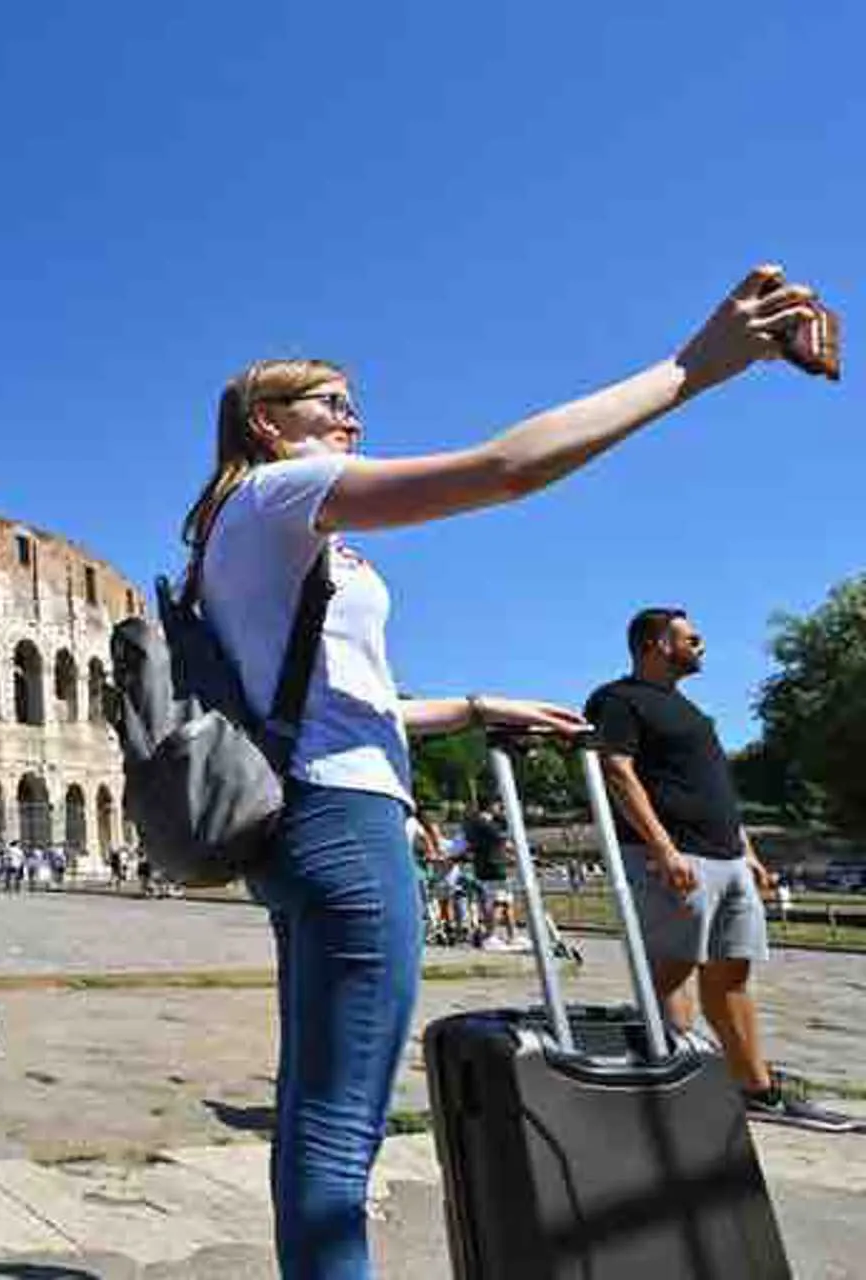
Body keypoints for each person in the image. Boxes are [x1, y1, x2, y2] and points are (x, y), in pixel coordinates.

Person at [183, 265, 827, 1278]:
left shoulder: (234, 528)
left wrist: (476, 706)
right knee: (341, 1123)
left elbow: (326, 702)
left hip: (301, 816)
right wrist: (689, 369)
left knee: (318, 1107)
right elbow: (507, 468)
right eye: (330, 404)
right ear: (266, 422)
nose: (352, 419)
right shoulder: (284, 491)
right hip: (345, 823)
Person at [586, 607, 854, 1133]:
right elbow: (616, 771)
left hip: (726, 856)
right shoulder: (618, 701)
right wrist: (661, 847)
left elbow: (716, 790)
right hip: (675, 858)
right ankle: (673, 1085)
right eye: (691, 638)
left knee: (732, 973)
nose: (701, 645)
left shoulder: (688, 711)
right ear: (655, 644)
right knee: (672, 969)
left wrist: (746, 849)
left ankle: (755, 1090)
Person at [462, 801, 517, 949]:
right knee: (499, 901)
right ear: (490, 805)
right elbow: (501, 838)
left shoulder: (474, 823)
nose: (500, 808)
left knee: (506, 902)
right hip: (493, 866)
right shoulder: (484, 823)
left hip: (487, 866)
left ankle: (512, 936)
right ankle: (490, 936)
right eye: (498, 805)